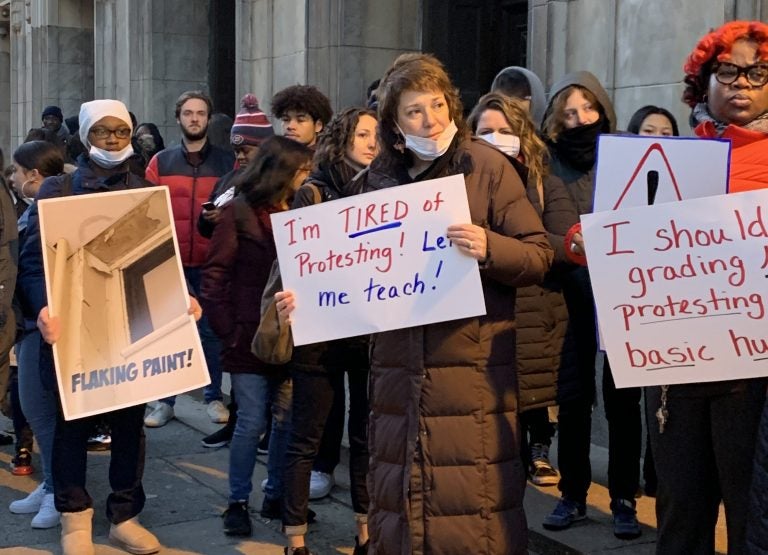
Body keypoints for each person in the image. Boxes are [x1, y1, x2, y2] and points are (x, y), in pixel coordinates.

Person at [275, 53, 552, 555]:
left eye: (438, 104)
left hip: (469, 376)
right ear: (393, 123)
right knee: (401, 512)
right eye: (414, 111)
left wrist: (492, 247)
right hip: (396, 379)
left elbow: (537, 255)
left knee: (471, 514)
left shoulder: (488, 168)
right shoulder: (377, 182)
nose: (432, 120)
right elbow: (350, 276)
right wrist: (307, 301)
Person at [18, 99, 163, 555]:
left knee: (128, 427)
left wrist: (178, 301)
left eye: (122, 132)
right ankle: (74, 519)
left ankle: (125, 515)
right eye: (103, 132)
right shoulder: (56, 191)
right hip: (70, 332)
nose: (114, 140)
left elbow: (157, 258)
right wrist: (41, 308)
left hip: (126, 331)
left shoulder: (143, 188)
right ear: (85, 137)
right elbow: (31, 264)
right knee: (70, 428)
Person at [649, 20, 768, 554]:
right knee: (681, 509)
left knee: (754, 510)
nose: (742, 82)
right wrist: (587, 239)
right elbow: (625, 232)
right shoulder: (665, 159)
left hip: (754, 371)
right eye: (728, 70)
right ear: (704, 82)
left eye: (758, 72)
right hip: (678, 364)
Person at [539, 71, 644, 540]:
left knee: (624, 401)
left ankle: (624, 497)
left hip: (625, 293)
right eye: (569, 111)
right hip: (570, 295)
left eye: (588, 108)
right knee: (575, 399)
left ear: (602, 108)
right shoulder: (546, 163)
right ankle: (573, 494)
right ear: (556, 119)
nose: (580, 118)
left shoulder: (625, 155)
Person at [201, 135, 312, 537]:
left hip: (291, 333)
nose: (307, 176)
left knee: (284, 419)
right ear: (282, 171)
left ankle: (276, 492)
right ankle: (237, 501)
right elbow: (214, 278)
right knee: (250, 421)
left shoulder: (303, 210)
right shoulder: (240, 213)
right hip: (247, 334)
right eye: (302, 170)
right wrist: (228, 332)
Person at [278, 107, 378, 555]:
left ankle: (365, 531)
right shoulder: (313, 193)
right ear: (342, 138)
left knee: (365, 437)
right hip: (319, 333)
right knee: (307, 436)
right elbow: (300, 262)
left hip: (369, 333)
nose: (372, 142)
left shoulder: (390, 191)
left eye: (377, 134)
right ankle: (294, 536)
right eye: (362, 134)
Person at [468, 93, 579, 488]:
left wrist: (505, 244)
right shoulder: (461, 181)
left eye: (505, 131)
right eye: (485, 132)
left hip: (536, 306)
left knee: (533, 390)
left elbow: (568, 245)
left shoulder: (545, 181)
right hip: (481, 307)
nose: (495, 138)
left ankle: (538, 450)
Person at [144, 90, 235, 427]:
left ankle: (213, 397)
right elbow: (148, 210)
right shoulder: (161, 162)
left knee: (211, 333)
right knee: (169, 333)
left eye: (200, 113)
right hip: (172, 261)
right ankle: (165, 402)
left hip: (213, 262)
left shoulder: (227, 163)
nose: (194, 118)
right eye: (188, 113)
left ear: (209, 119)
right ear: (178, 117)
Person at [270, 83, 339, 499]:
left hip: (325, 289)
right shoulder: (273, 158)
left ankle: (323, 462)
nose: (292, 126)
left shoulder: (326, 166)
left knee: (323, 385)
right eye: (288, 119)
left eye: (300, 119)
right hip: (286, 288)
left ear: (319, 123)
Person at [198, 93, 275, 450]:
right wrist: (209, 220)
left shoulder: (275, 184)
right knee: (243, 377)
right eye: (237, 150)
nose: (241, 156)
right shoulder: (227, 181)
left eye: (248, 150)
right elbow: (209, 233)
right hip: (236, 294)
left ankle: (263, 429)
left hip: (264, 292)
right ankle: (239, 423)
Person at [7, 141, 65, 529]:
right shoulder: (31, 210)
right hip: (28, 324)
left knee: (44, 412)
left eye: (15, 170)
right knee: (34, 408)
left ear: (34, 175)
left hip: (43, 325)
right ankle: (51, 486)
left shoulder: (51, 211)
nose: (10, 177)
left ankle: (59, 492)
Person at [625, 103, 680, 499]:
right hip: (631, 302)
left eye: (666, 131)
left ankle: (655, 472)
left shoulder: (687, 181)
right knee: (629, 402)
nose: (657, 137)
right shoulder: (620, 178)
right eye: (648, 130)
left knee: (664, 404)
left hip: (674, 305)